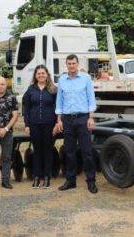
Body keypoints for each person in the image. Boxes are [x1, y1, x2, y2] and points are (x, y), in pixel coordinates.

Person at [54, 54, 98, 193]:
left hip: (83, 119)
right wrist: (59, 120)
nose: (71, 66)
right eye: (69, 63)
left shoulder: (86, 78)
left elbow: (91, 98)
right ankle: (70, 180)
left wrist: (91, 118)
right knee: (69, 152)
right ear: (66, 65)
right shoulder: (62, 80)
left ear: (77, 64)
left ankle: (91, 181)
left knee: (87, 152)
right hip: (67, 120)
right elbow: (59, 101)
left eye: (73, 63)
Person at [23, 65, 57, 189]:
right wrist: (27, 125)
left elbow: (58, 108)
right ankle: (37, 176)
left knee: (48, 150)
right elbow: (26, 109)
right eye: (39, 73)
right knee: (37, 151)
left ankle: (47, 176)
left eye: (43, 73)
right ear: (35, 76)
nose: (41, 75)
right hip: (34, 125)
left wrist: (57, 124)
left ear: (47, 75)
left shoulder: (53, 90)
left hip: (49, 124)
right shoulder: (30, 90)